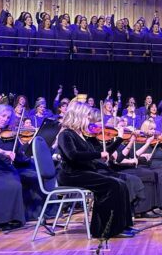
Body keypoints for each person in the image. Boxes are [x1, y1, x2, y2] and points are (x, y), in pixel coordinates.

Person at [56, 102, 136, 238]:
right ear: (78, 116)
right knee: (112, 185)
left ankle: (123, 225)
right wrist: (99, 155)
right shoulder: (65, 134)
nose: (89, 120)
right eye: (87, 116)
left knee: (120, 183)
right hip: (72, 174)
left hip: (82, 172)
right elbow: (73, 155)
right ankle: (104, 229)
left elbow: (101, 152)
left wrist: (119, 139)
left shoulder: (80, 135)